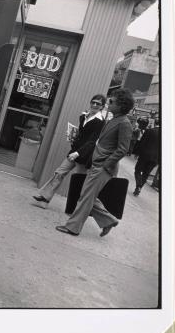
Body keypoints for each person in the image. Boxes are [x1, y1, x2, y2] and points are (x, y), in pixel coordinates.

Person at [55, 89, 134, 237]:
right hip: (97, 164)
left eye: (111, 101)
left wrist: (106, 164)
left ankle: (73, 227)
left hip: (103, 167)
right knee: (87, 195)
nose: (107, 103)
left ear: (121, 105)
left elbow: (123, 149)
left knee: (86, 197)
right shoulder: (114, 119)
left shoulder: (124, 123)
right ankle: (109, 220)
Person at [32, 94, 106, 206]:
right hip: (74, 151)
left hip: (84, 155)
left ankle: (79, 207)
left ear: (102, 107)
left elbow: (92, 141)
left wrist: (78, 153)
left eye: (98, 104)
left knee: (79, 183)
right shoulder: (84, 116)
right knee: (59, 173)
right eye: (93, 102)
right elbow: (82, 135)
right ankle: (44, 199)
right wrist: (72, 136)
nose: (94, 105)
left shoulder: (100, 122)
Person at [133, 119, 160, 196]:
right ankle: (139, 188)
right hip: (155, 158)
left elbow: (142, 142)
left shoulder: (150, 131)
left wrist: (137, 153)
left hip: (144, 155)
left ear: (155, 123)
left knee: (137, 170)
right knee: (146, 173)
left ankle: (138, 185)